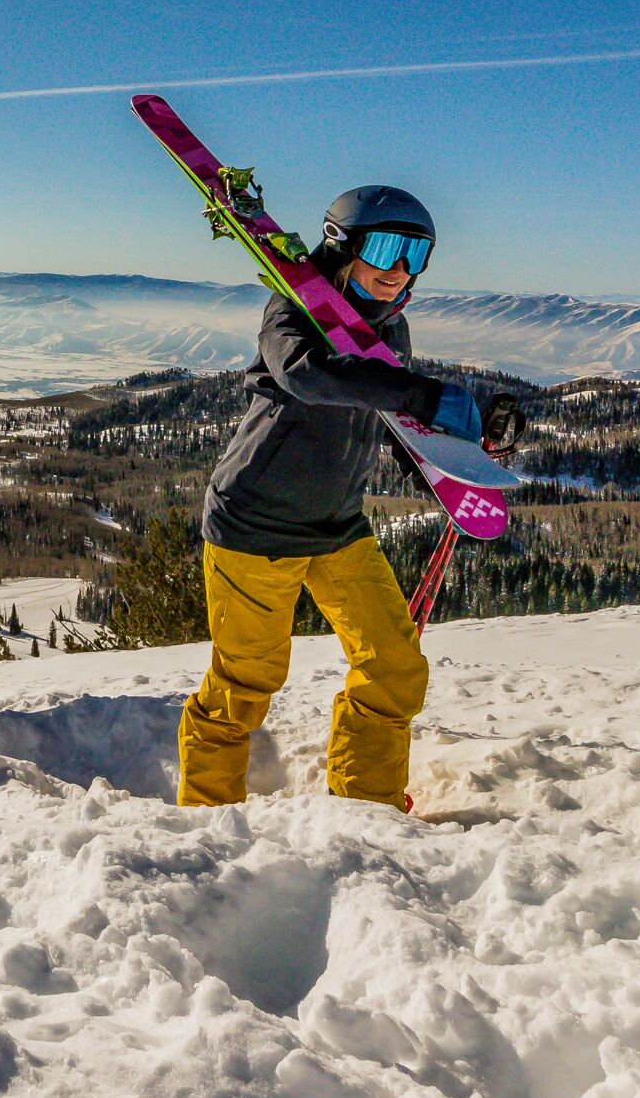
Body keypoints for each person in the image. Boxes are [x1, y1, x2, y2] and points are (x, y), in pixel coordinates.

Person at [179, 184, 518, 811]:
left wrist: (455, 468)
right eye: (387, 248)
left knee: (393, 668)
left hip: (338, 527)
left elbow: (394, 425)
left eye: (416, 256)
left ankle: (367, 810)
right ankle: (205, 818)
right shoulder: (291, 311)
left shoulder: (395, 331)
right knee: (245, 683)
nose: (398, 271)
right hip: (253, 525)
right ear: (342, 247)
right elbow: (306, 374)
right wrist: (419, 393)